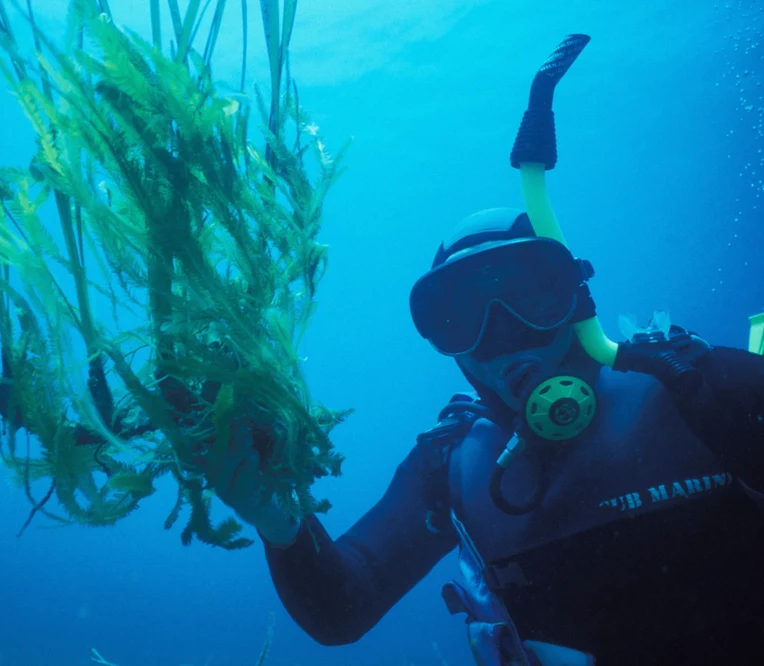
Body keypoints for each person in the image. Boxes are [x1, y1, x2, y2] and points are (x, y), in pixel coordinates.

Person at [206, 206, 764, 666]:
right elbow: (342, 607)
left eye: (531, 297)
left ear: (576, 301)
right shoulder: (452, 465)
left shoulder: (694, 387)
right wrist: (282, 524)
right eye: (462, 315)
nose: (502, 333)